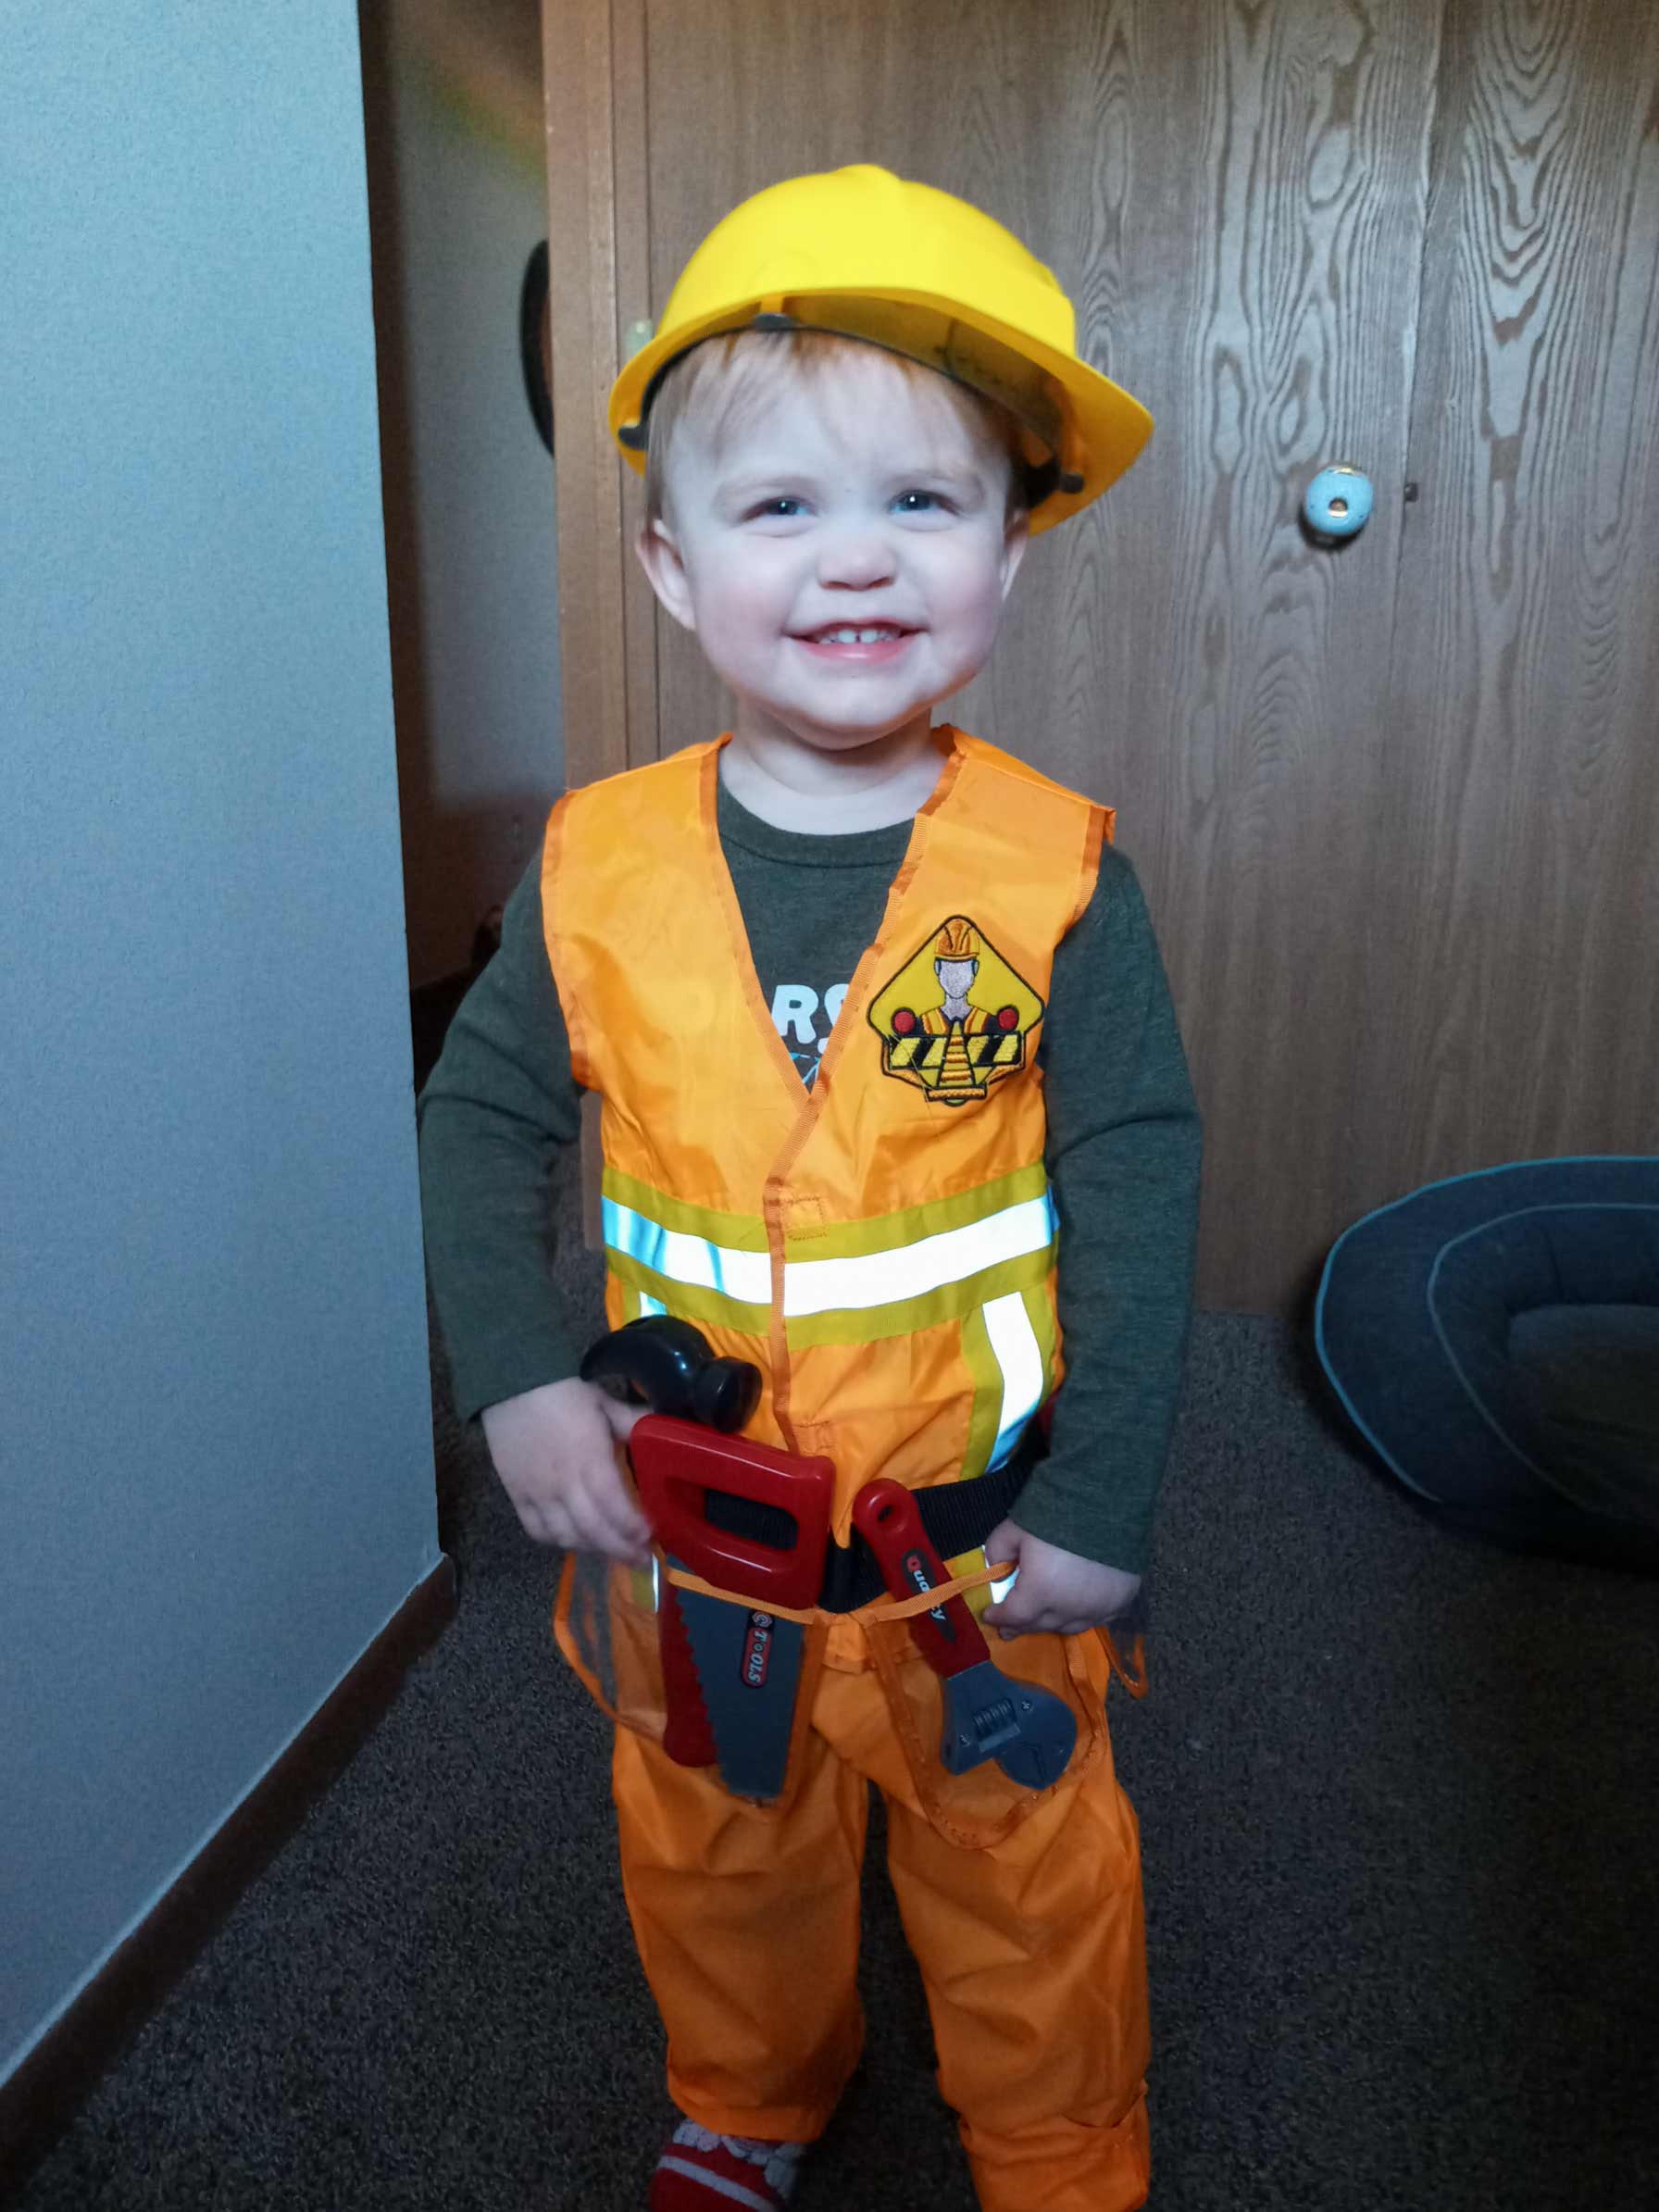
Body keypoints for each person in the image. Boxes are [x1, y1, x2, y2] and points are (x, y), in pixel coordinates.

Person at [418, 165, 1201, 2212]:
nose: (853, 560)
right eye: (780, 511)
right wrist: (514, 1377)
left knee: (1021, 1869)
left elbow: (1134, 1171)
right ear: (673, 568)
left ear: (1007, 554)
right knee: (712, 1847)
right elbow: (483, 1116)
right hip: (699, 1554)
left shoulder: (1055, 877)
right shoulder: (593, 864)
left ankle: (1054, 2144)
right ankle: (747, 2094)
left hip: (974, 1549)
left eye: (920, 505)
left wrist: (1102, 1501)